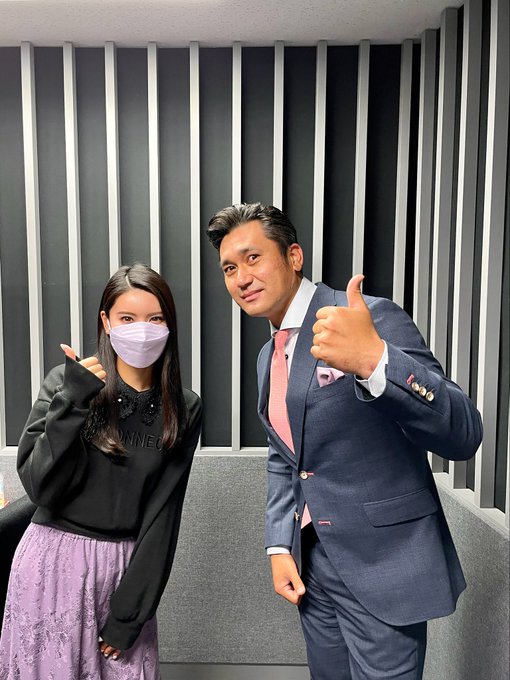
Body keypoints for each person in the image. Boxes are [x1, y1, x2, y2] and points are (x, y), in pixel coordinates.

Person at [206, 203, 483, 680]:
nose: (242, 277)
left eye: (253, 258)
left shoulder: (367, 317)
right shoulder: (268, 356)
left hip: (384, 563)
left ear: (294, 256)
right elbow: (286, 457)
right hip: (314, 565)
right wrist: (279, 545)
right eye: (229, 268)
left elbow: (463, 432)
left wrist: (376, 360)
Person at [0, 263, 202, 680]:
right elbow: (40, 487)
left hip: (125, 568)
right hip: (52, 564)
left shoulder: (184, 407)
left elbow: (164, 514)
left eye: (155, 319)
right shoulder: (66, 382)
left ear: (170, 325)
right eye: (127, 318)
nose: (142, 330)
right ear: (106, 322)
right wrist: (72, 402)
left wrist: (130, 614)